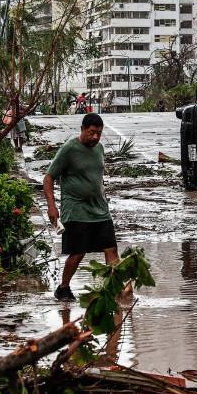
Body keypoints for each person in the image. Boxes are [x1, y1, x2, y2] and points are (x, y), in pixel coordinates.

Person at [44, 113, 117, 301]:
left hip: (100, 210)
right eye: (91, 132)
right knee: (77, 253)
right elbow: (48, 177)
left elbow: (97, 178)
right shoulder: (69, 149)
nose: (95, 137)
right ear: (83, 129)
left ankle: (112, 287)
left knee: (111, 249)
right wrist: (51, 206)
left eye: (99, 133)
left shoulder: (99, 148)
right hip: (76, 210)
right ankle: (63, 287)